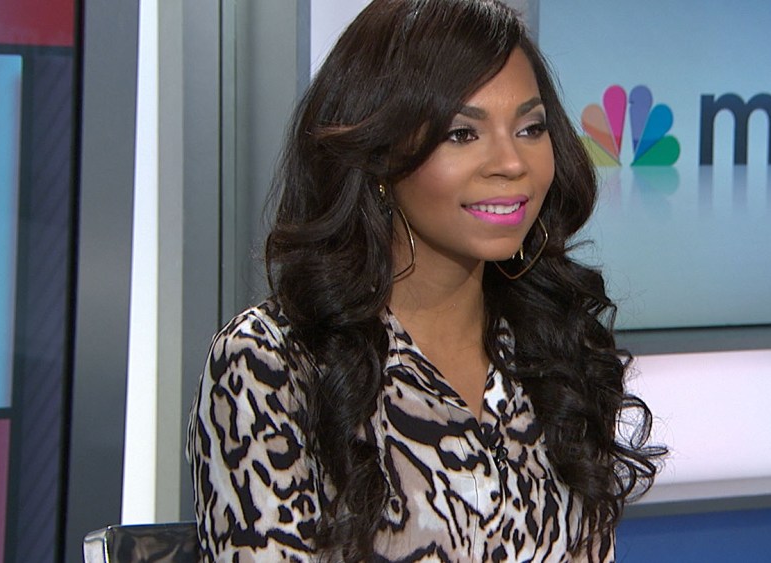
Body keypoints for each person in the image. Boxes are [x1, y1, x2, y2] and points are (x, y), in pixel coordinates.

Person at [187, 0, 665, 561]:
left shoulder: (556, 351)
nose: (512, 163)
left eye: (530, 128)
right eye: (462, 133)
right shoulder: (272, 364)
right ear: (381, 155)